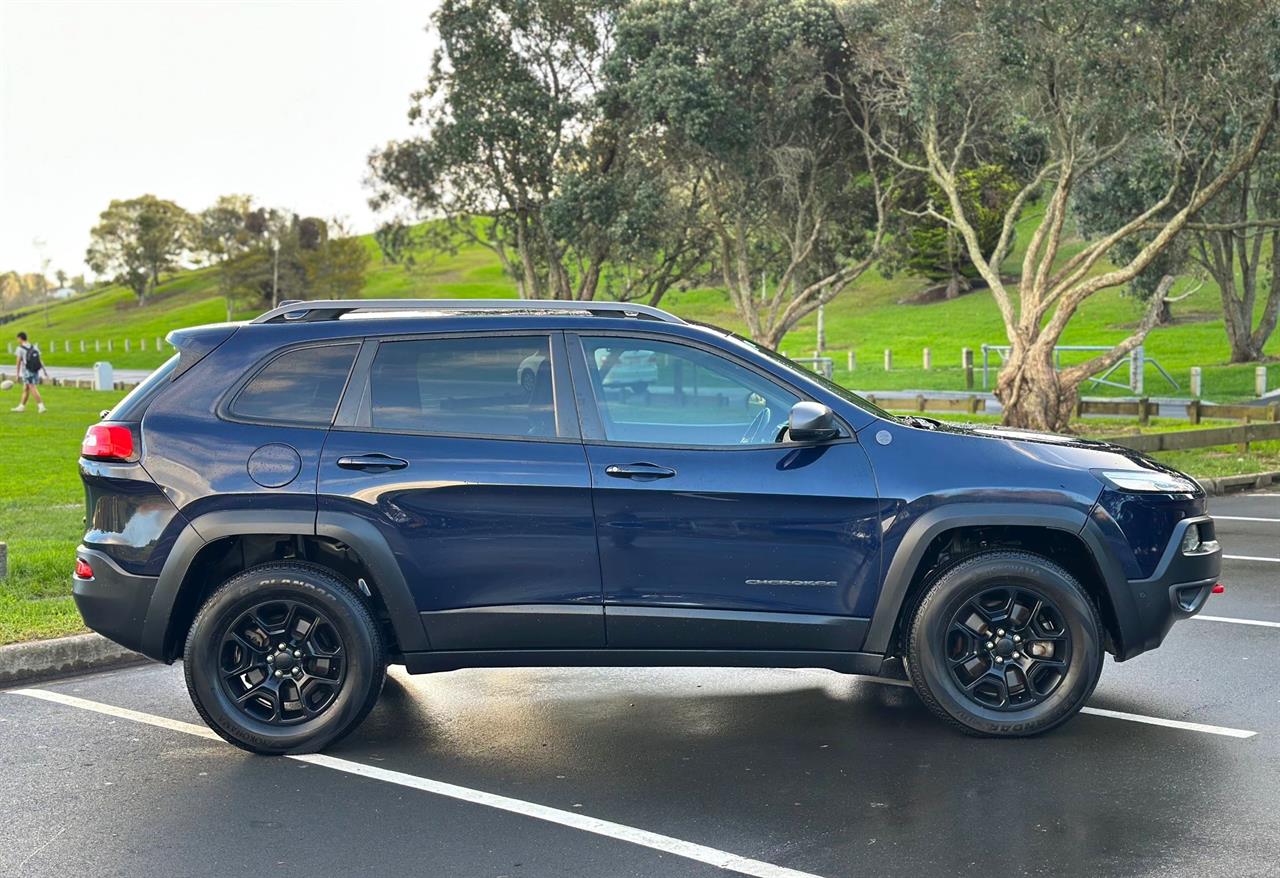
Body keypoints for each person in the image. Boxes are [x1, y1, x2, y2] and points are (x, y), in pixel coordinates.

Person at [12, 331, 47, 413]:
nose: (18, 341)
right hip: (35, 370)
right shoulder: (34, 347)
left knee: (32, 387)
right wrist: (44, 371)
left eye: (18, 339)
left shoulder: (20, 348)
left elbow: (18, 362)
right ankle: (21, 406)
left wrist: (17, 374)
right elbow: (39, 360)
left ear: (20, 338)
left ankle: (41, 406)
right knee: (26, 388)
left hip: (27, 371)